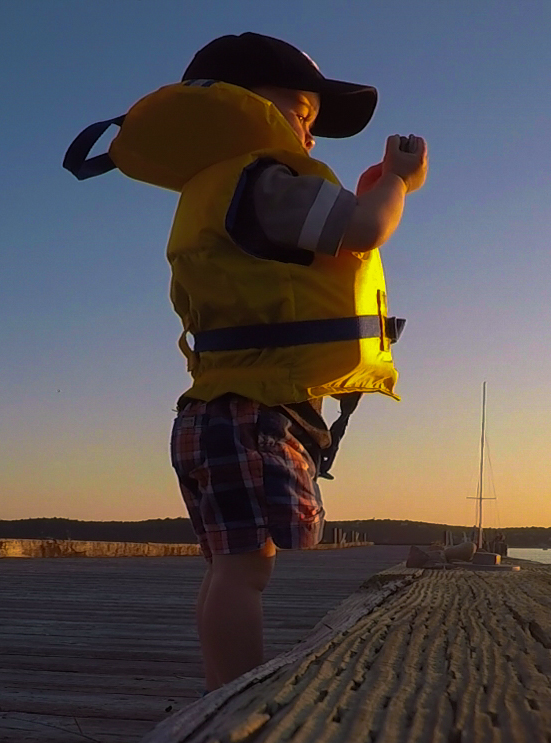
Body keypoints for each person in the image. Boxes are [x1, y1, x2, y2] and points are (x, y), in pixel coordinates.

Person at [64, 32, 427, 690]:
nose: (310, 139)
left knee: (230, 566)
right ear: (243, 105)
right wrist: (398, 181)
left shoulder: (218, 187)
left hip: (214, 410)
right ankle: (235, 697)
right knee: (245, 570)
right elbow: (364, 229)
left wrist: (371, 187)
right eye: (302, 115)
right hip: (251, 414)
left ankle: (220, 691)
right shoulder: (268, 181)